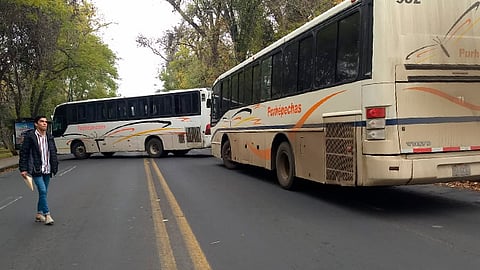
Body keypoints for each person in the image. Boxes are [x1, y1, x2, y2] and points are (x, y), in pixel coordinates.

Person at [19, 116, 59, 225]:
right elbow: (24, 153)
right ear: (36, 124)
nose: (45, 123)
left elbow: (53, 151)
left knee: (43, 192)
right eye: (42, 121)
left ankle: (39, 213)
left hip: (47, 168)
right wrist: (23, 169)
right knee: (42, 190)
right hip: (36, 168)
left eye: (46, 122)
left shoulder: (49, 137)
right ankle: (47, 215)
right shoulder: (30, 137)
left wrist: (55, 164)